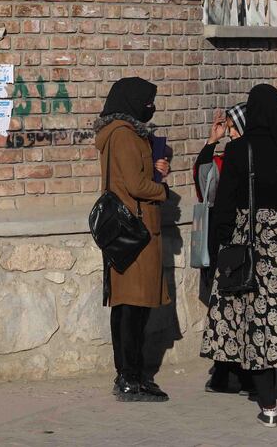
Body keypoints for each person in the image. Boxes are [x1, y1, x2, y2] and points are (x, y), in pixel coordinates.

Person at [200, 84, 277, 430]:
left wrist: (224, 247)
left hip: (250, 244)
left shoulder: (240, 150)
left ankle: (269, 408)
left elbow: (224, 206)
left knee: (256, 324)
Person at [93, 77, 171, 402]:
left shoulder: (122, 134)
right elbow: (137, 186)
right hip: (135, 233)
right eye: (147, 101)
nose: (150, 107)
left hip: (131, 231)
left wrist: (157, 168)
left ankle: (131, 376)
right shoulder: (124, 136)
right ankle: (129, 378)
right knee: (132, 309)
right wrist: (161, 188)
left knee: (129, 307)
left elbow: (133, 177)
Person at [192, 103, 254, 396]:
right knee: (226, 309)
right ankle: (225, 371)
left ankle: (241, 373)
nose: (228, 132)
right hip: (225, 243)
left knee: (239, 309)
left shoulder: (250, 158)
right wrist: (211, 143)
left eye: (231, 127)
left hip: (243, 244)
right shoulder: (227, 157)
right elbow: (205, 185)